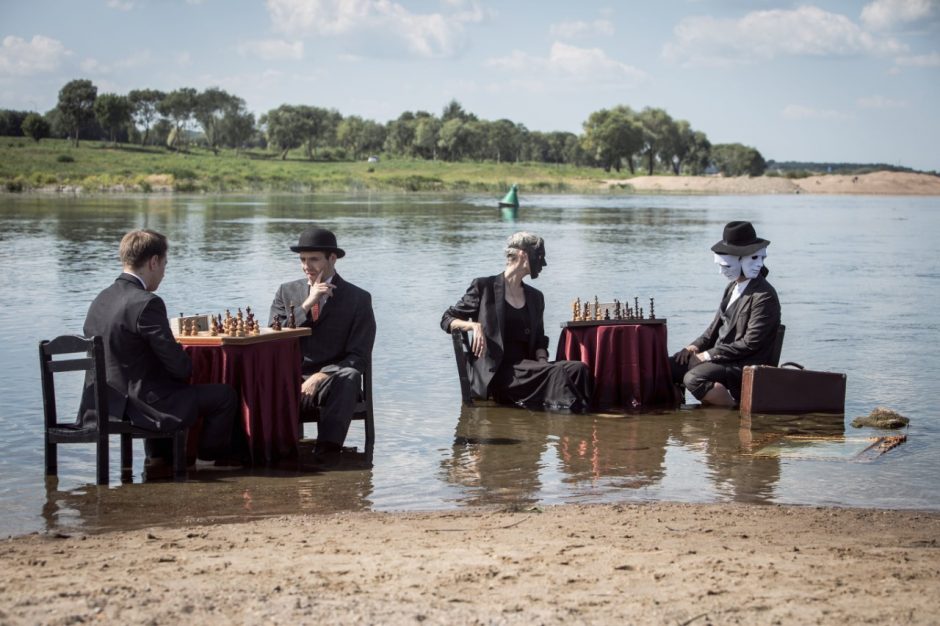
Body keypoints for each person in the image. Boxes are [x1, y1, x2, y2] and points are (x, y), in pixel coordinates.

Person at [81, 229, 237, 475]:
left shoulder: (100, 299)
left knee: (162, 388)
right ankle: (207, 466)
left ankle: (157, 462)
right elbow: (180, 367)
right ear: (153, 262)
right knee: (224, 396)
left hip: (103, 404)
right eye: (164, 264)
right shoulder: (147, 302)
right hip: (140, 406)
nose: (164, 272)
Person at [441, 232, 591, 411]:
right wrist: (474, 325)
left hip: (529, 368)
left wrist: (542, 361)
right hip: (499, 373)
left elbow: (540, 340)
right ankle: (576, 419)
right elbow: (447, 319)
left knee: (579, 369)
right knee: (557, 373)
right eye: (540, 256)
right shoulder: (484, 287)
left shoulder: (536, 297)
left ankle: (583, 414)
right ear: (523, 255)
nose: (543, 264)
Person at [268, 226, 376, 466]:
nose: (307, 266)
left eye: (314, 259)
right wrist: (307, 304)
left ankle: (327, 454)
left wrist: (322, 374)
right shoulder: (286, 292)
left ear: (332, 258)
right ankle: (261, 452)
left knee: (349, 376)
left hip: (333, 381)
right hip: (290, 379)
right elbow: (273, 338)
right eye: (302, 260)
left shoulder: (358, 298)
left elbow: (359, 355)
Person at [671, 221, 782, 407]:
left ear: (743, 258)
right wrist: (694, 347)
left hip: (742, 363)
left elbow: (750, 343)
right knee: (669, 365)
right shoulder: (732, 287)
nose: (721, 272)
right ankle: (672, 414)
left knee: (694, 378)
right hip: (722, 357)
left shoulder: (764, 296)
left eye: (726, 266)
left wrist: (707, 356)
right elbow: (714, 329)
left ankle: (732, 413)